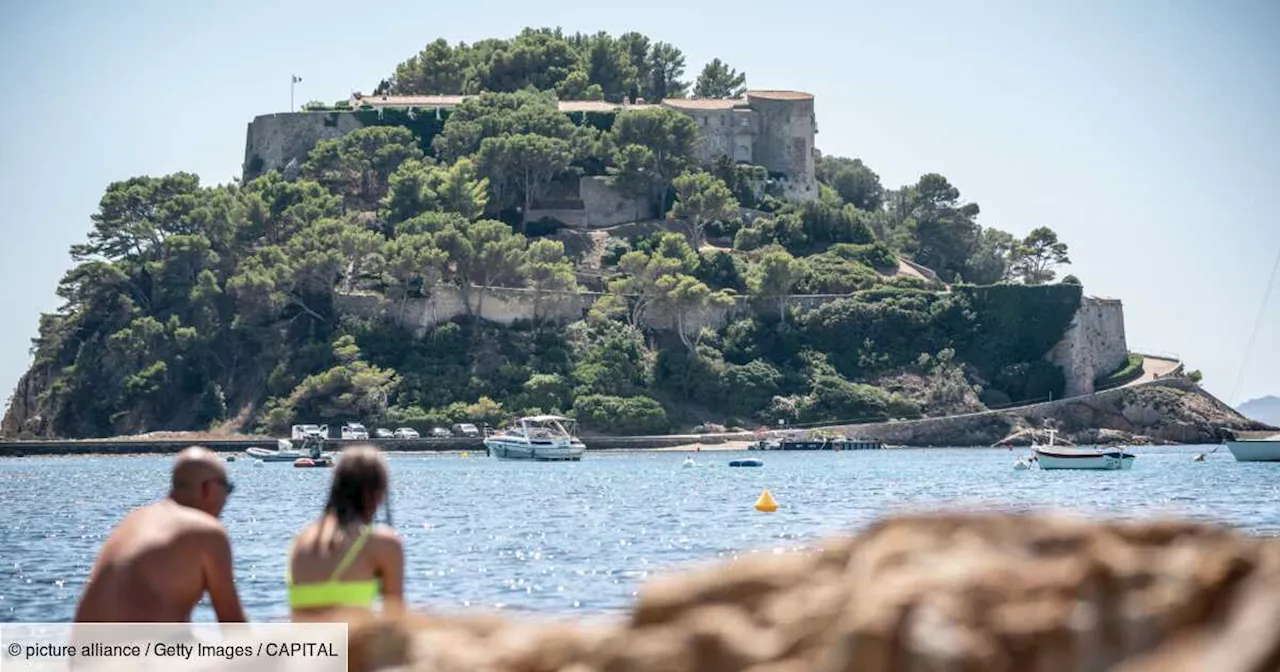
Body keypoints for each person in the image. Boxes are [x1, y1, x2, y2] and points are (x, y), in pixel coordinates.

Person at [74, 446, 246, 622]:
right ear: (208, 488)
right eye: (228, 488)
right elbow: (233, 626)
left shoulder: (132, 521)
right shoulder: (206, 531)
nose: (227, 498)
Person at [287, 445, 404, 622]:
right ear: (377, 491)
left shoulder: (302, 540)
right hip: (351, 648)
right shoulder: (381, 543)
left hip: (305, 648)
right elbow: (395, 620)